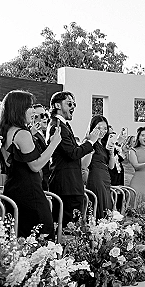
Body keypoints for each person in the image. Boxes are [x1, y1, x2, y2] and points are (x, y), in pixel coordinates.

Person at [0, 90, 62, 238]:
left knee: (20, 238)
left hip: (13, 189)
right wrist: (53, 144)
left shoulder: (6, 130)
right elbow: (35, 165)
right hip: (29, 192)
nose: (33, 110)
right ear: (19, 109)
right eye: (30, 106)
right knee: (42, 237)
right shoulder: (22, 133)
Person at [48, 91, 100, 226]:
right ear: (58, 105)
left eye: (74, 104)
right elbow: (72, 153)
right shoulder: (57, 126)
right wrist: (91, 142)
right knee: (68, 228)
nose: (73, 107)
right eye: (69, 103)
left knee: (73, 228)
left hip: (70, 185)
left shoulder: (63, 125)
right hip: (66, 186)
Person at [82, 115, 115, 219]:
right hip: (96, 177)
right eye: (99, 128)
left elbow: (111, 166)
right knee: (99, 207)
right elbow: (84, 165)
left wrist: (111, 153)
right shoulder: (89, 141)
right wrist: (90, 150)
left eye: (105, 128)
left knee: (107, 208)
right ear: (93, 128)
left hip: (106, 178)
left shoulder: (104, 143)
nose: (103, 131)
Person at [30, 104, 51, 190]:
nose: (44, 118)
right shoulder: (29, 133)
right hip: (38, 177)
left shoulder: (43, 133)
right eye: (41, 116)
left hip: (45, 176)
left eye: (45, 115)